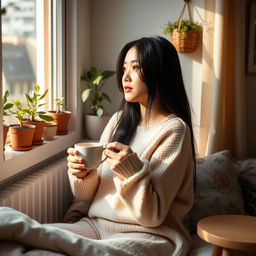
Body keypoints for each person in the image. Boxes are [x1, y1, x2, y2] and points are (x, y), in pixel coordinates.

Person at [61, 36, 196, 256]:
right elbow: (88, 197)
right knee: (30, 236)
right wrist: (82, 174)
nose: (125, 76)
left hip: (149, 235)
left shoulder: (174, 130)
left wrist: (131, 169)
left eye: (136, 67)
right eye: (124, 68)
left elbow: (151, 216)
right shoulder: (118, 121)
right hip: (96, 227)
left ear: (160, 72)